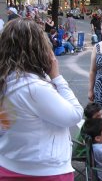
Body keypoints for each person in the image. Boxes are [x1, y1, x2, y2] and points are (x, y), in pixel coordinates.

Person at [0, 18, 83, 180]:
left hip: (8, 163)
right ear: (38, 47)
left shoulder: (5, 81)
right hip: (44, 170)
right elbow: (74, 115)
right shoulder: (33, 88)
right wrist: (57, 77)